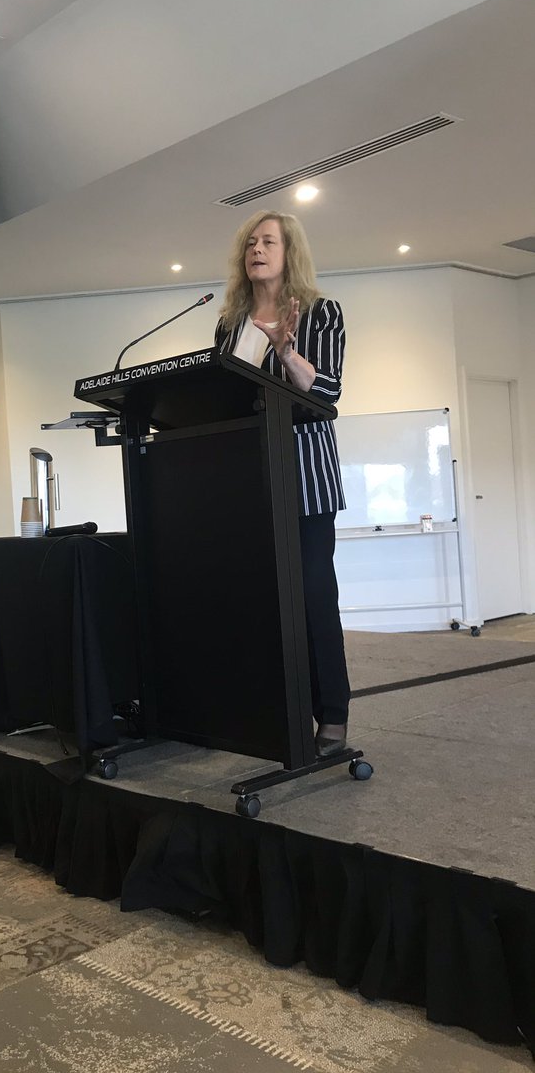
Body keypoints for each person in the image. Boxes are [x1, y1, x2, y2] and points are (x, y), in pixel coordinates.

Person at [214, 210, 350, 758]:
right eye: (250, 242)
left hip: (306, 480)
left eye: (268, 241)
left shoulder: (320, 312)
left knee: (313, 596)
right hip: (251, 482)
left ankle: (332, 713)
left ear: (289, 251)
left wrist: (286, 350)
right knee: (261, 599)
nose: (256, 249)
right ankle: (276, 708)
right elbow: (225, 400)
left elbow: (328, 394)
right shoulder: (229, 324)